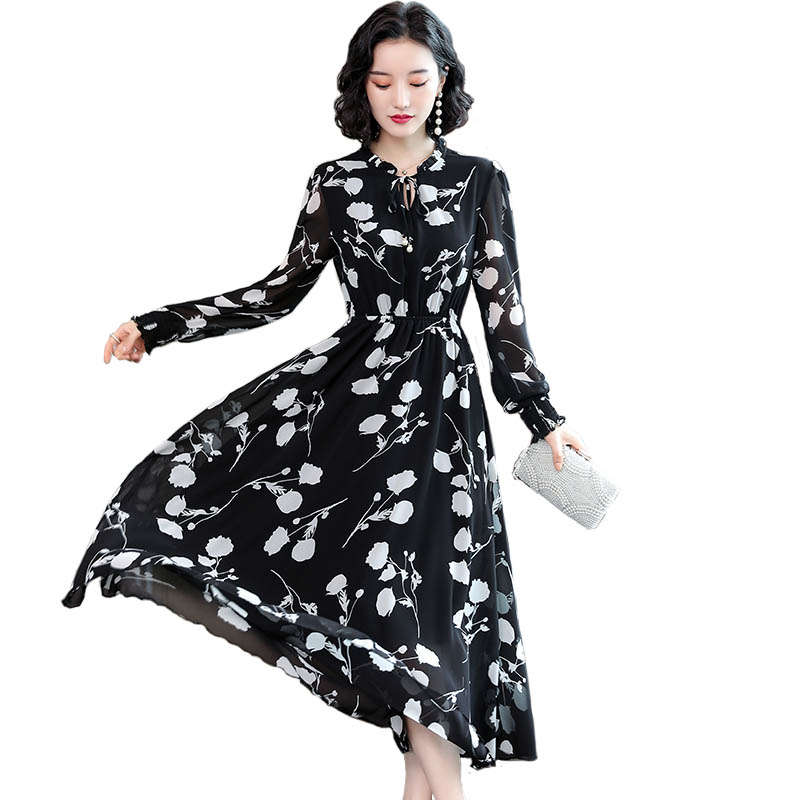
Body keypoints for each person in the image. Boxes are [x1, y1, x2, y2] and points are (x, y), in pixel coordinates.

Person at [64, 3, 588, 799]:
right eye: (383, 81)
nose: (400, 97)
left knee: (427, 633)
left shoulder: (480, 181)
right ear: (361, 86)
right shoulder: (335, 184)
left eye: (417, 79)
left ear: (445, 81)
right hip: (356, 422)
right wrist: (160, 325)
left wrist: (544, 419)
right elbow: (277, 294)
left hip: (445, 433)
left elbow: (502, 319)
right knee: (402, 635)